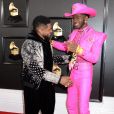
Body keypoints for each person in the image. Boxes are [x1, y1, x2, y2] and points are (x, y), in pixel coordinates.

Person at [51, 3, 107, 114]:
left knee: (82, 108)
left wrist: (79, 50)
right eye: (73, 17)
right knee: (70, 105)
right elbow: (65, 46)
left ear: (86, 18)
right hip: (73, 73)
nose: (74, 20)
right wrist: (51, 42)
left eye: (77, 17)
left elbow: (94, 58)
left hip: (85, 74)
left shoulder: (96, 35)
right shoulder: (73, 34)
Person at [21, 15, 72, 114]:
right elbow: (35, 69)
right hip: (33, 88)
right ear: (40, 29)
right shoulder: (28, 44)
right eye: (49, 29)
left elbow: (49, 60)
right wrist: (59, 79)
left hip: (48, 86)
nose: (51, 31)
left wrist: (69, 58)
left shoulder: (46, 42)